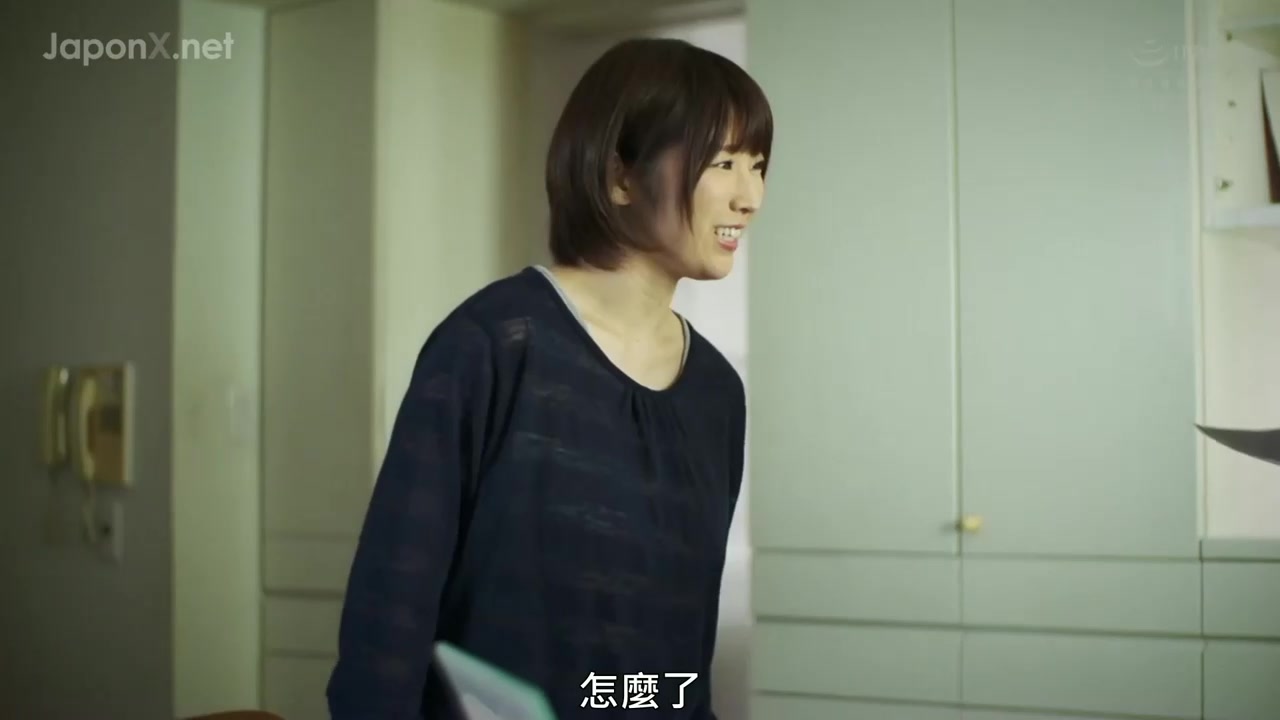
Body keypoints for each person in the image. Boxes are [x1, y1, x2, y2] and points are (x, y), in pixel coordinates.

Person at [326, 36, 772, 719]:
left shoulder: (716, 392)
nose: (751, 196)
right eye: (724, 163)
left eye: (758, 166)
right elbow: (387, 622)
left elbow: (683, 658)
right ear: (620, 176)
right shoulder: (494, 346)